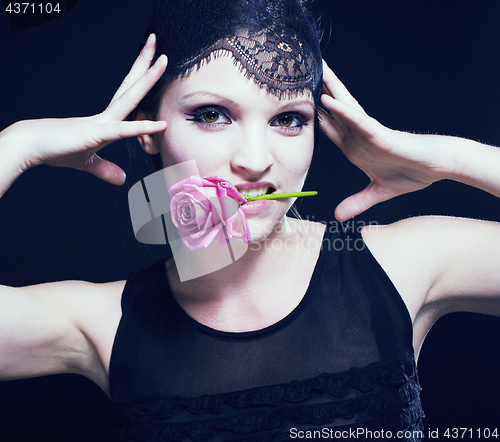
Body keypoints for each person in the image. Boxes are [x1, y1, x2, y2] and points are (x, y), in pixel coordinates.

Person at [1, 0, 499, 441]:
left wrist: (448, 158)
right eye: (213, 114)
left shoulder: (403, 266)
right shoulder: (105, 323)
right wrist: (19, 144)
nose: (256, 159)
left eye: (288, 119)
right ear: (146, 129)